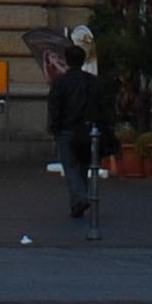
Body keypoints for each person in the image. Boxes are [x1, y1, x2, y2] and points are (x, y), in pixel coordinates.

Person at [49, 34, 107, 221]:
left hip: (66, 130)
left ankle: (80, 198)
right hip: (89, 130)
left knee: (71, 167)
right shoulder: (93, 82)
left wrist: (54, 127)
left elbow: (54, 107)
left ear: (67, 61)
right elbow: (101, 106)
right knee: (82, 165)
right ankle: (77, 203)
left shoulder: (60, 82)